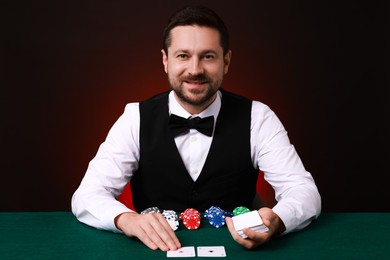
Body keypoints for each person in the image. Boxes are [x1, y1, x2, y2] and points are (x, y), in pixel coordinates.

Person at [71, 5, 321, 251]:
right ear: (165, 61)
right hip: (154, 252)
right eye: (183, 56)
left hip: (242, 252)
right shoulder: (134, 117)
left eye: (208, 56)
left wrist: (277, 221)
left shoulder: (258, 117)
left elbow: (303, 191)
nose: (195, 70)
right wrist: (127, 220)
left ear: (226, 61)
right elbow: (87, 195)